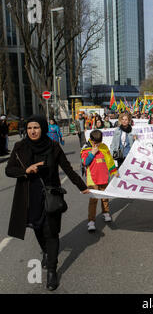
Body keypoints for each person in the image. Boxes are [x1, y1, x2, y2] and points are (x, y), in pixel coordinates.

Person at [5, 115, 90, 291]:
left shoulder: (53, 147)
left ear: (43, 128)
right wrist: (25, 170)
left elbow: (68, 168)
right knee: (37, 228)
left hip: (51, 195)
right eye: (29, 128)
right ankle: (45, 251)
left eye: (36, 127)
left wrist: (83, 186)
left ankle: (52, 270)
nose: (32, 131)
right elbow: (9, 170)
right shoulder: (19, 146)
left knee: (51, 232)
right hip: (30, 196)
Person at [81, 130, 118, 232]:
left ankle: (106, 212)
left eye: (99, 142)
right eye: (95, 142)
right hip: (92, 179)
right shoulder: (86, 148)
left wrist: (114, 171)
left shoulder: (104, 147)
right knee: (93, 200)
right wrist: (92, 153)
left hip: (104, 177)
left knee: (104, 197)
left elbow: (109, 160)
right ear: (91, 140)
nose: (97, 144)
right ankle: (91, 221)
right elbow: (85, 162)